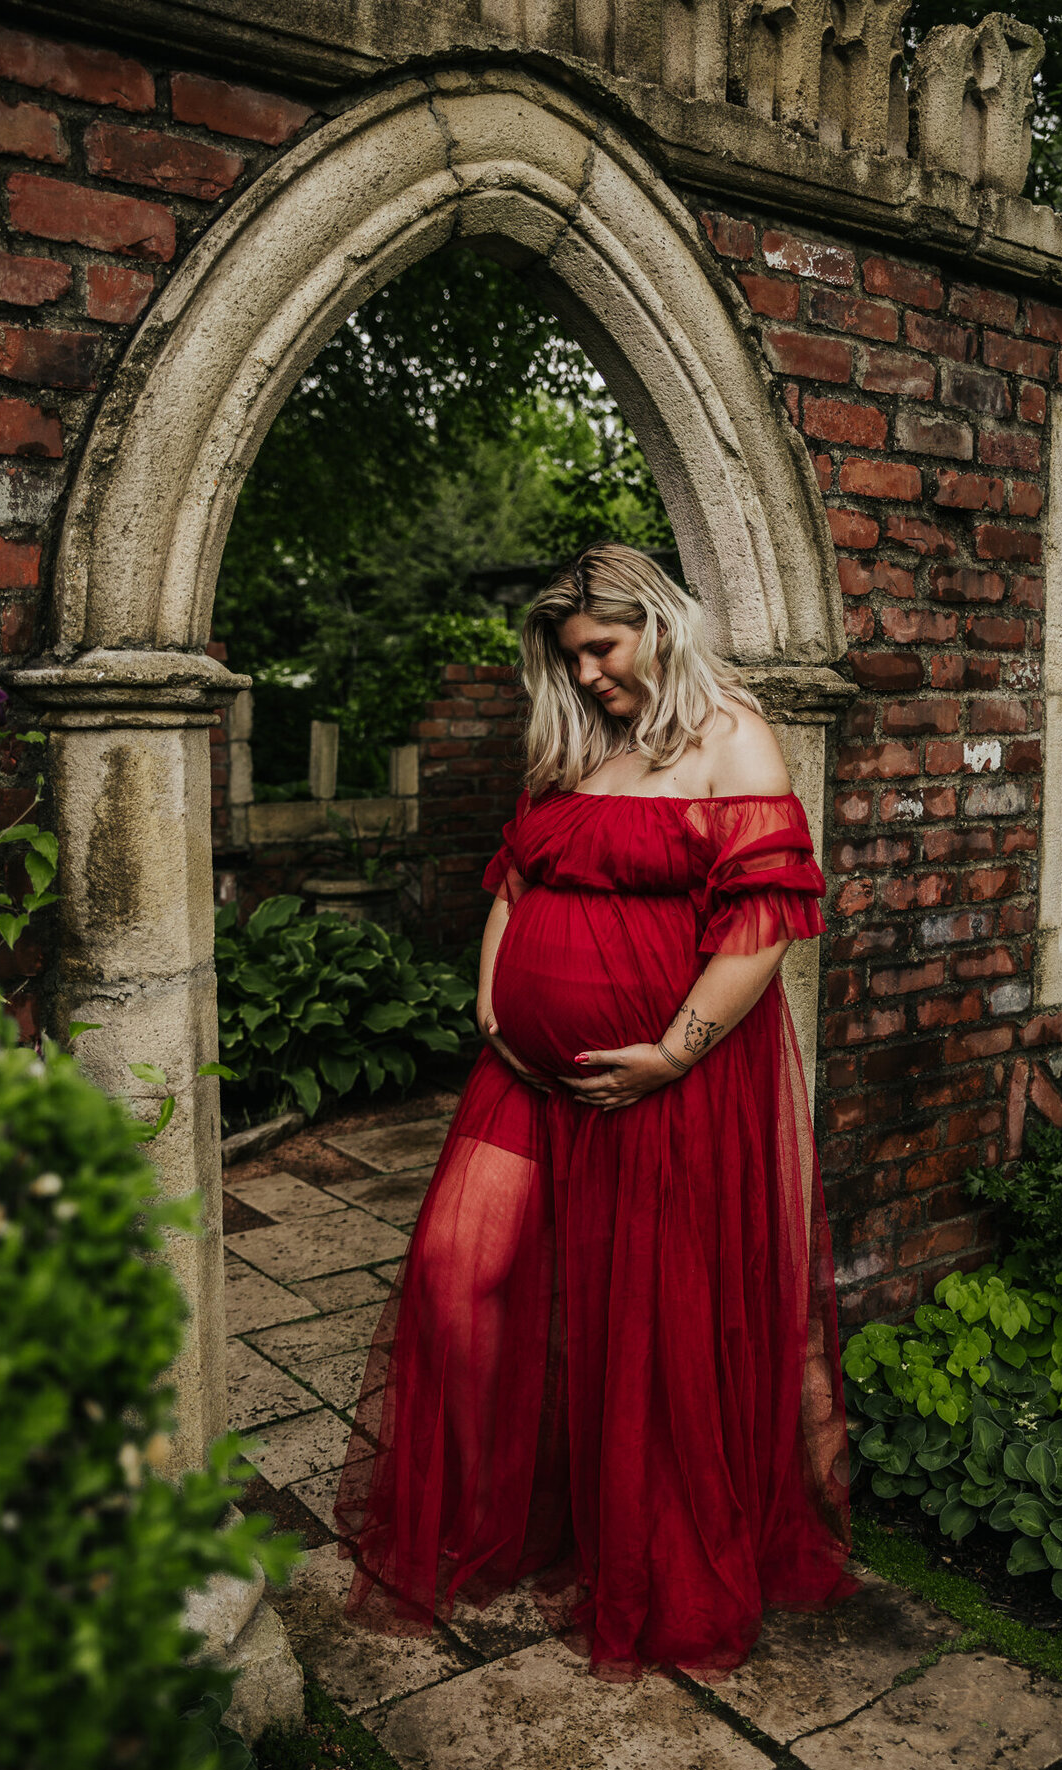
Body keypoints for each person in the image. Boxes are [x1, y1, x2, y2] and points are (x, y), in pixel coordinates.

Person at [333, 542, 856, 1677]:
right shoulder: (576, 746)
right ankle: (507, 1507)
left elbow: (763, 923)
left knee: (649, 1318)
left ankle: (646, 1553)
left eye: (601, 649)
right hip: (521, 1075)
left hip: (664, 1085)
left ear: (658, 625)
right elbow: (517, 881)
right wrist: (493, 1004)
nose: (587, 675)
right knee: (456, 1272)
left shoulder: (734, 740)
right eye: (571, 658)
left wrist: (671, 1054)